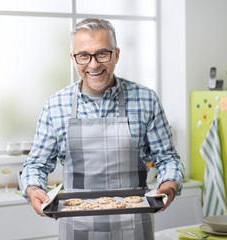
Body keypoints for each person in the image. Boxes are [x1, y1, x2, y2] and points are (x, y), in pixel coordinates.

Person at [21, 18, 184, 239]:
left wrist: (169, 186)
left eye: (102, 54)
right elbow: (36, 164)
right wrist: (33, 189)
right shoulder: (55, 105)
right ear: (73, 59)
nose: (94, 64)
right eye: (83, 55)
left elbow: (168, 158)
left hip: (135, 226)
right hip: (76, 227)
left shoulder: (146, 100)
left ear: (116, 54)